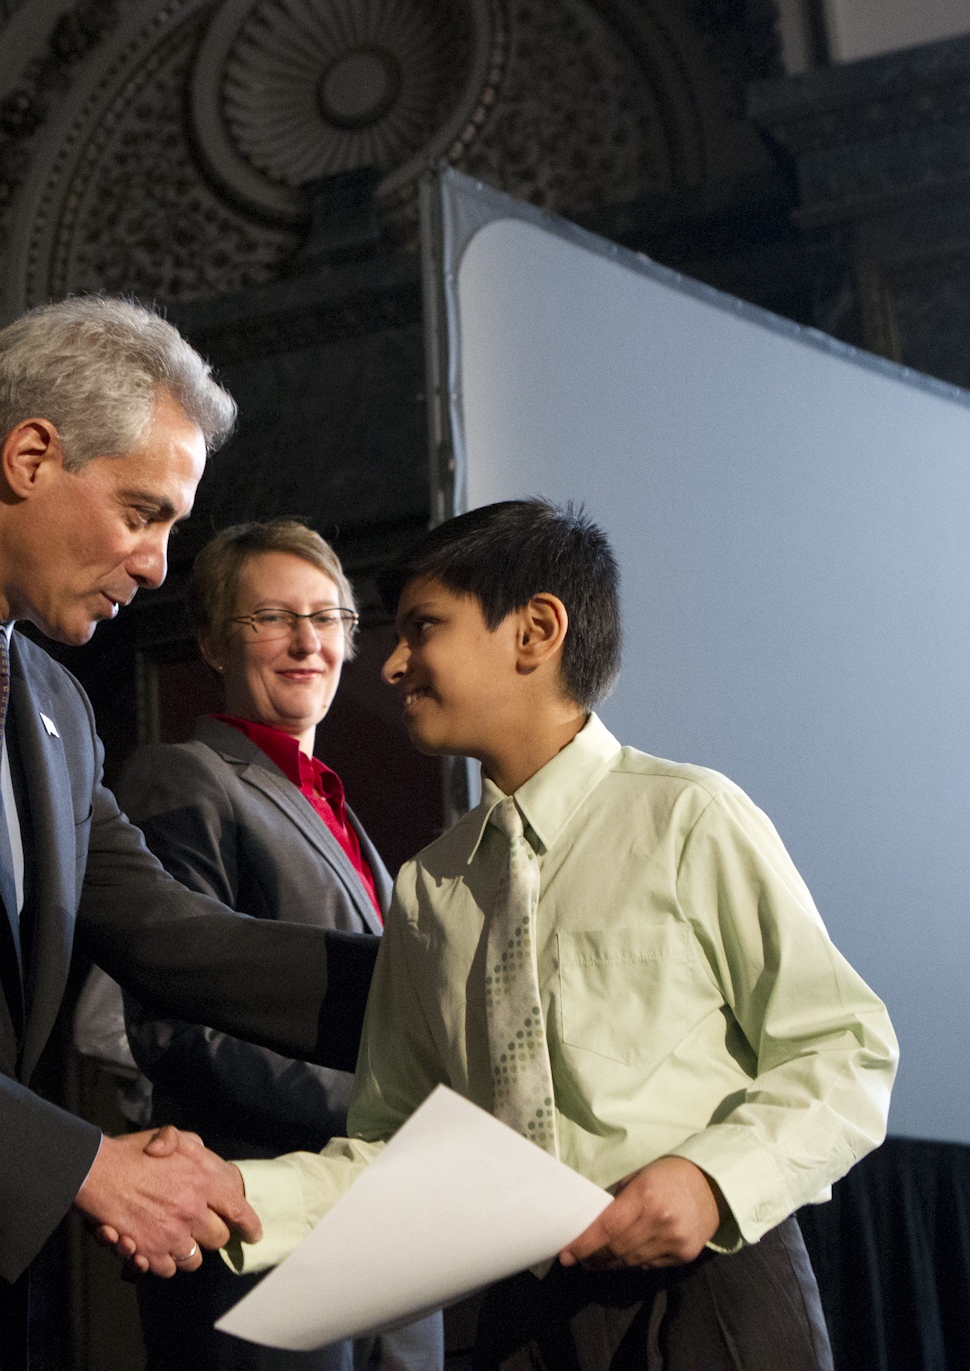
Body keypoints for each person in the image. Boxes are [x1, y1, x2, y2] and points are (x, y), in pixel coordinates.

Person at [0, 296, 380, 1371]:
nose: (156, 566)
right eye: (143, 513)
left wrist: (444, 987)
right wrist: (86, 1167)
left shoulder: (53, 700)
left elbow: (170, 933)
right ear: (31, 455)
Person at [220, 500, 898, 1370]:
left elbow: (846, 1048)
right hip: (517, 1319)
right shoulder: (429, 886)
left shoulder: (687, 818)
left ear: (535, 629)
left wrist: (709, 1179)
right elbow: (393, 1153)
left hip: (716, 1297)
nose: (391, 664)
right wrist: (235, 1192)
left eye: (422, 627)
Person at [116, 520, 444, 1370]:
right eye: (271, 616)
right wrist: (380, 1114)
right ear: (210, 640)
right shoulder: (183, 776)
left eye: (327, 616)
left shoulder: (339, 807)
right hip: (256, 1235)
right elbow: (172, 1026)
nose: (307, 640)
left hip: (387, 1234)